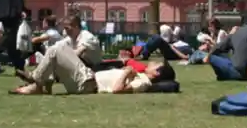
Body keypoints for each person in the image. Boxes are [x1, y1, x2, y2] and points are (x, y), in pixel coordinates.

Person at [11, 41, 176, 95]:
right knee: (62, 47)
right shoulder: (141, 76)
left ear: (156, 73)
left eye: (156, 64)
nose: (152, 63)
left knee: (56, 50)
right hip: (88, 77)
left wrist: (126, 73)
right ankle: (41, 84)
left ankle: (36, 80)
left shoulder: (144, 83)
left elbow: (118, 90)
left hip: (88, 83)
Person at [202, 14, 247, 81]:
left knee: (212, 57)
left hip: (240, 73)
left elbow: (218, 48)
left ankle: (222, 76)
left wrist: (230, 34)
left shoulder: (236, 32)